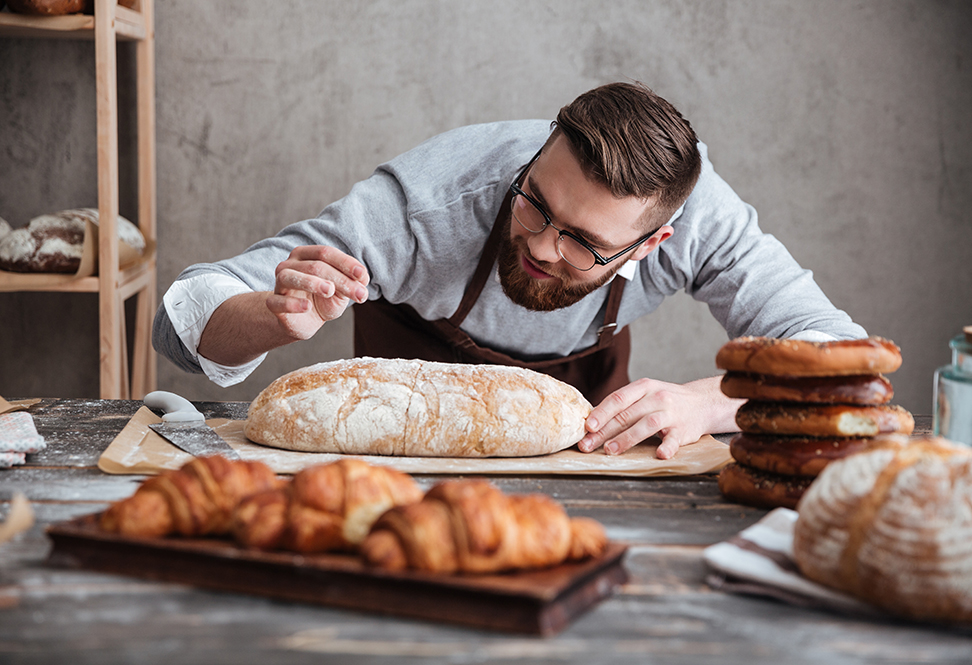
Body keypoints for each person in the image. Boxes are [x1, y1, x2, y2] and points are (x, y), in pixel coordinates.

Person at [153, 81, 866, 460]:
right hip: (402, 466)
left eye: (585, 241)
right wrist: (273, 318)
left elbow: (842, 360)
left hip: (594, 465)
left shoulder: (704, 216)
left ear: (654, 245)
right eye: (536, 203)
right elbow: (181, 319)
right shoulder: (428, 205)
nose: (545, 246)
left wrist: (709, 404)